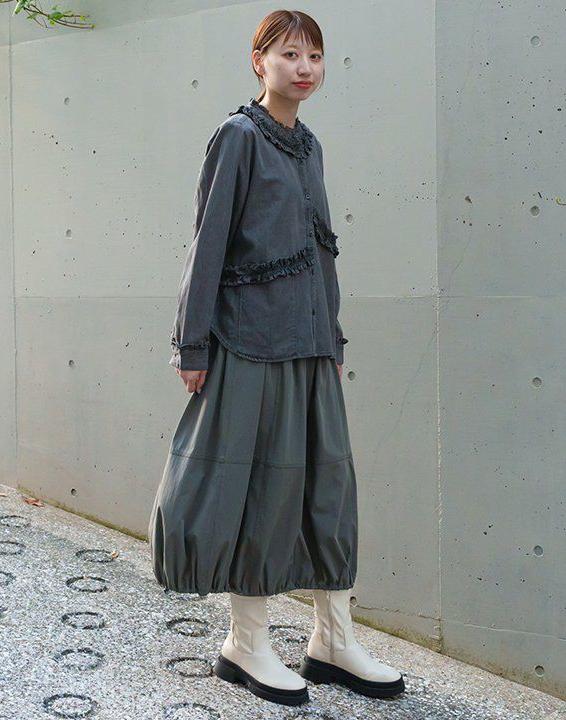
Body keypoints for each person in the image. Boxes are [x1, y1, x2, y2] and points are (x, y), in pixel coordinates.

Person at [147, 8, 405, 707]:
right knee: (262, 487)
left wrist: (333, 337)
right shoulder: (238, 136)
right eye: (290, 53)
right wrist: (192, 342)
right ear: (258, 61)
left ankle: (333, 640)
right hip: (249, 342)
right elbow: (207, 242)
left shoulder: (309, 146)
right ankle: (247, 643)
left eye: (314, 55)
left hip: (311, 345)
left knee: (328, 488)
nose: (304, 67)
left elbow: (321, 249)